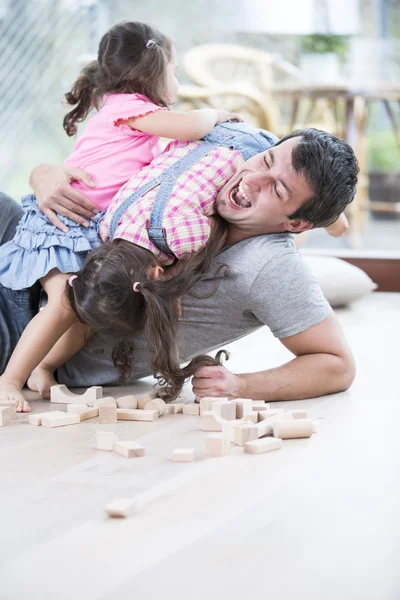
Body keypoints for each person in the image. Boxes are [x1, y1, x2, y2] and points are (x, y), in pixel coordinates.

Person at [0, 125, 358, 409]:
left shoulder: (267, 266)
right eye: (265, 162)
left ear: (295, 223)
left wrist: (242, 386)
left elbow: (337, 364)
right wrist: (44, 174)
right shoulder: (229, 161)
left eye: (276, 191)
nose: (251, 180)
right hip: (37, 252)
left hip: (32, 333)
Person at [0, 20, 241, 412]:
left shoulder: (120, 108)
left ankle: (41, 367)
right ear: (153, 70)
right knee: (63, 301)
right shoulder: (131, 108)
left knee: (80, 313)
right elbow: (192, 126)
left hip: (83, 227)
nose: (176, 82)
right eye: (174, 72)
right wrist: (217, 113)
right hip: (64, 227)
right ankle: (8, 380)